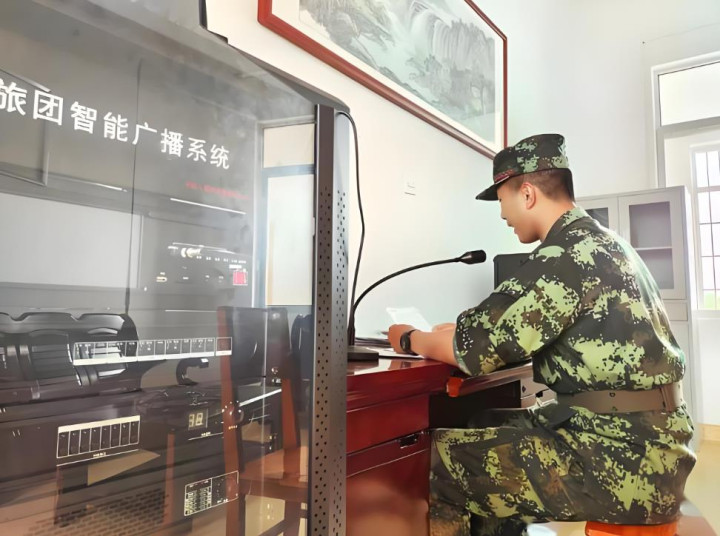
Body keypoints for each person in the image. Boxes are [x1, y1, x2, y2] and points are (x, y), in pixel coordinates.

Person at [387, 134, 696, 536]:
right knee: (482, 422)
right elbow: (511, 328)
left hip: (622, 458)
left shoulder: (562, 256)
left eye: (502, 200)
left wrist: (409, 337)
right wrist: (460, 330)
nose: (502, 214)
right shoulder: (602, 241)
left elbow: (473, 351)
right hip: (646, 441)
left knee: (440, 461)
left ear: (528, 194)